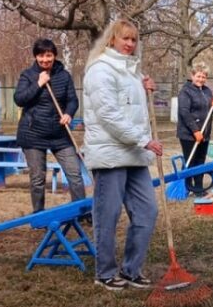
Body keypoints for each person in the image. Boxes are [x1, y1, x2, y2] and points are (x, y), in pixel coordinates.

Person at [82, 18, 163, 291]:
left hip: (134, 154)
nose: (129, 44)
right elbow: (109, 115)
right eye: (125, 39)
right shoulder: (100, 70)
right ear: (112, 39)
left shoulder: (133, 73)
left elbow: (133, 110)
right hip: (109, 154)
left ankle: (131, 269)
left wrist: (145, 88)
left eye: (133, 40)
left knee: (147, 211)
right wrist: (144, 140)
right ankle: (104, 272)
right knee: (108, 215)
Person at [13, 38, 86, 213]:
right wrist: (38, 84)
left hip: (60, 134)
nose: (45, 60)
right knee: (37, 178)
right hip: (33, 134)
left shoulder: (64, 75)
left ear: (54, 55)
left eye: (48, 55)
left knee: (74, 174)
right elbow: (19, 99)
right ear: (35, 57)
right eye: (41, 56)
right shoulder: (28, 75)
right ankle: (39, 215)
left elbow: (72, 100)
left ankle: (82, 212)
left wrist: (68, 113)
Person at [176, 63, 213, 197]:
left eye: (203, 76)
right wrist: (195, 131)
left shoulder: (206, 91)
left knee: (200, 162)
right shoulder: (186, 91)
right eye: (198, 76)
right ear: (192, 76)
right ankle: (186, 187)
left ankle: (199, 189)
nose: (201, 79)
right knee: (190, 161)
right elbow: (184, 112)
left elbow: (210, 111)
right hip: (189, 134)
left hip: (205, 133)